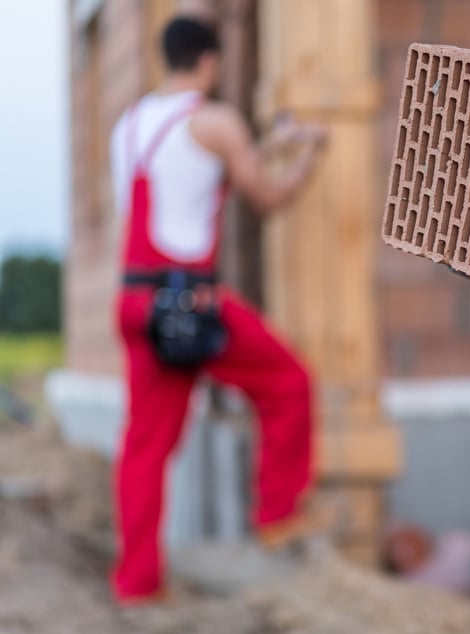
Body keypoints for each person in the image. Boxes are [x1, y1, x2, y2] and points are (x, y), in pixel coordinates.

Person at [109, 16, 327, 604]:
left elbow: (199, 175)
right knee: (289, 382)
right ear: (209, 62)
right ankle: (279, 514)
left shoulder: (131, 124)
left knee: (144, 447)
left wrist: (263, 148)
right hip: (190, 303)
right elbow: (265, 196)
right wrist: (305, 160)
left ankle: (136, 582)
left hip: (135, 301)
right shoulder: (216, 120)